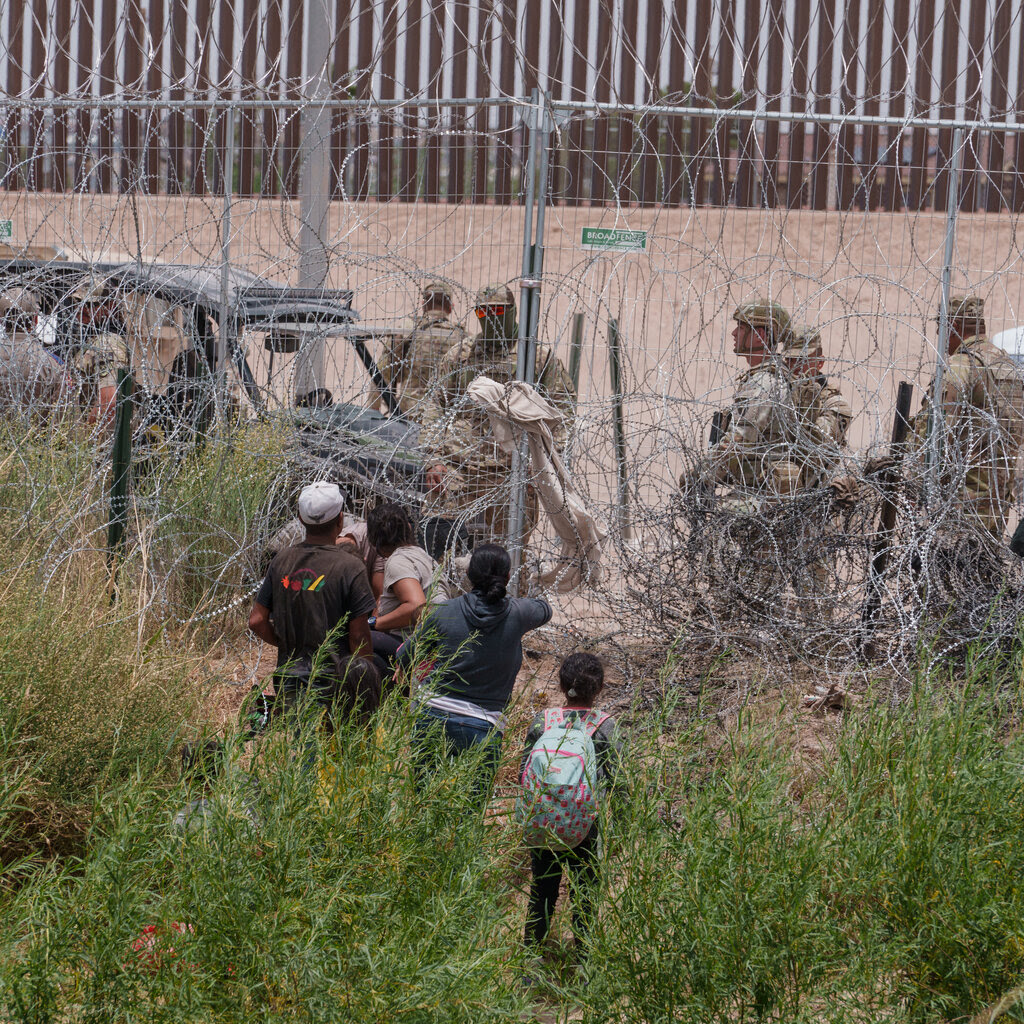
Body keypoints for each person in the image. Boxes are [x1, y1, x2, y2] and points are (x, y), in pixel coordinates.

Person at [399, 543, 552, 805]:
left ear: (469, 575)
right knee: (470, 812)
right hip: (483, 725)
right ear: (506, 577)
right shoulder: (517, 613)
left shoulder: (444, 612)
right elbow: (545, 609)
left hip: (432, 716)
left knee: (423, 805)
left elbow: (405, 656)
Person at [424, 283, 576, 542]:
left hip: (512, 472)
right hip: (461, 468)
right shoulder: (461, 356)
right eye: (482, 313)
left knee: (510, 554)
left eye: (497, 311)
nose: (490, 319)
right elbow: (434, 406)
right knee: (445, 545)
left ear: (512, 312)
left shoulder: (536, 358)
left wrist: (544, 463)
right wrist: (434, 459)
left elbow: (563, 410)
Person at [248, 482, 380, 725]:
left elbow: (256, 620)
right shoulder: (350, 567)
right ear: (340, 520)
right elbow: (359, 636)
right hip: (334, 682)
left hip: (289, 678)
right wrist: (365, 685)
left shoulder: (281, 560)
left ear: (300, 518)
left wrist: (286, 642)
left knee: (302, 748)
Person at [521, 653, 621, 955]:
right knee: (585, 894)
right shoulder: (605, 726)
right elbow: (617, 780)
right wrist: (621, 824)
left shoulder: (543, 721)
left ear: (562, 685)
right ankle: (584, 962)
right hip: (585, 825)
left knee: (542, 892)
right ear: (600, 688)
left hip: (544, 823)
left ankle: (530, 962)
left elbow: (523, 771)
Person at [907, 295, 1024, 537]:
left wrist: (913, 488)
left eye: (940, 328)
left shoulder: (960, 367)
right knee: (981, 570)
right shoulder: (1009, 368)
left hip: (959, 504)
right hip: (997, 503)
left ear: (954, 328)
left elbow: (934, 438)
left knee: (948, 571)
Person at [364, 500, 447, 671]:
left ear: (373, 539)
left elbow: (416, 606)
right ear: (408, 528)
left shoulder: (398, 561)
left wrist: (375, 624)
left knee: (358, 640)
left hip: (417, 645)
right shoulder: (421, 555)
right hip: (437, 642)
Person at [370, 281, 467, 420]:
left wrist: (372, 412)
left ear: (423, 304)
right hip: (446, 417)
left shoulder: (407, 330)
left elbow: (383, 372)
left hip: (409, 415)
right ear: (450, 307)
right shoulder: (462, 336)